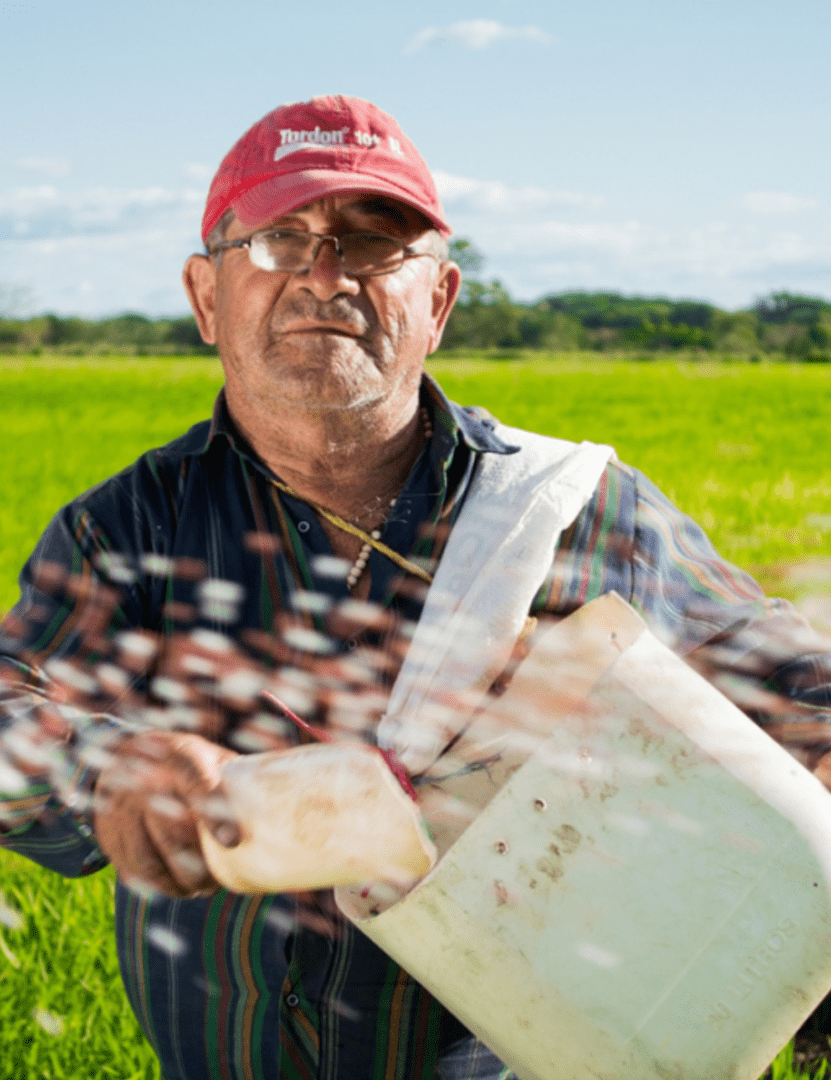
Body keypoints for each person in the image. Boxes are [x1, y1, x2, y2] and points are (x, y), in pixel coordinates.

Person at [1, 94, 830, 1080]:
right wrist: (108, 769)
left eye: (372, 241)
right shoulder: (127, 529)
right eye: (277, 239)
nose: (324, 274)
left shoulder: (566, 506)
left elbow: (780, 670)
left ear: (435, 301)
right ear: (205, 296)